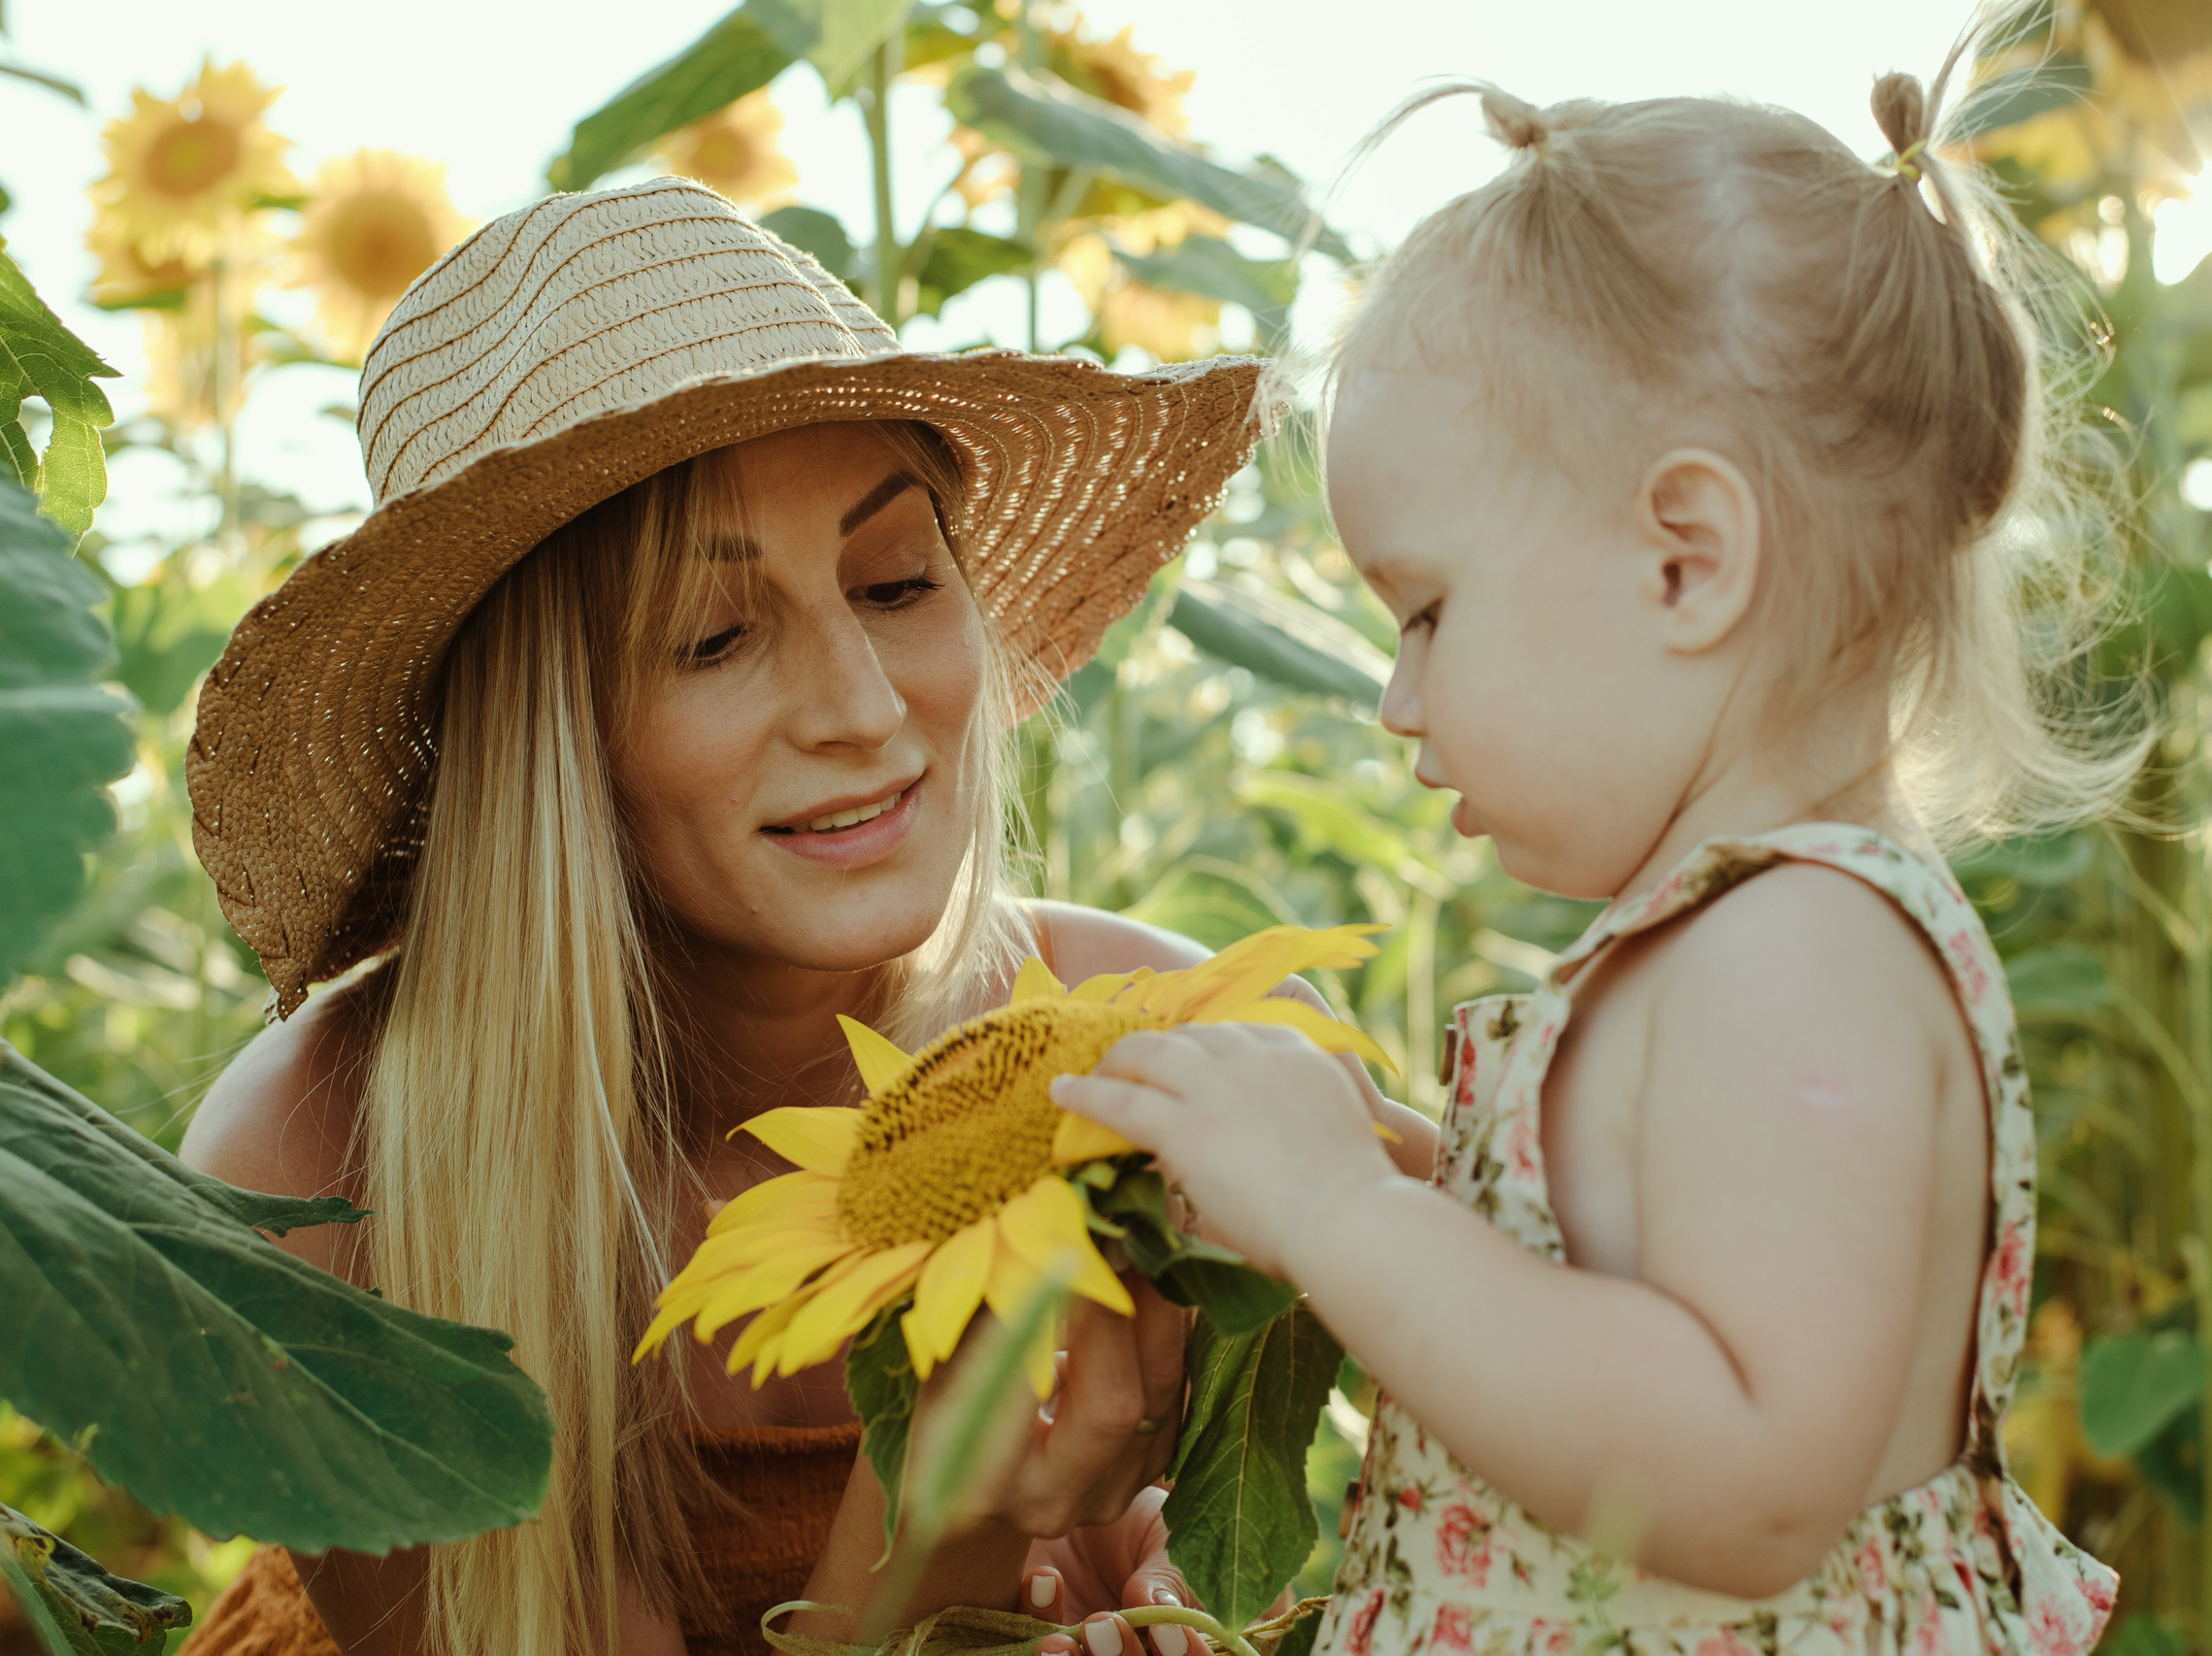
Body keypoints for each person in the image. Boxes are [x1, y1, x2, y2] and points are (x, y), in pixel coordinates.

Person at [176, 178, 1433, 1656]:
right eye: (715, 638)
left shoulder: (1151, 1042)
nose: (864, 705)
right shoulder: (323, 1177)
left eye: (899, 581)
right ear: (549, 753)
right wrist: (941, 1540)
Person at [1048, 41, 2135, 1656]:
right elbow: (1626, 1317)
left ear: (1687, 563)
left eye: (1426, 610)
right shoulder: (1740, 943)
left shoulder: (1799, 955)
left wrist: (1345, 1211)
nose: (1398, 701)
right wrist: (1423, 1175)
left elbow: (1746, 1476)